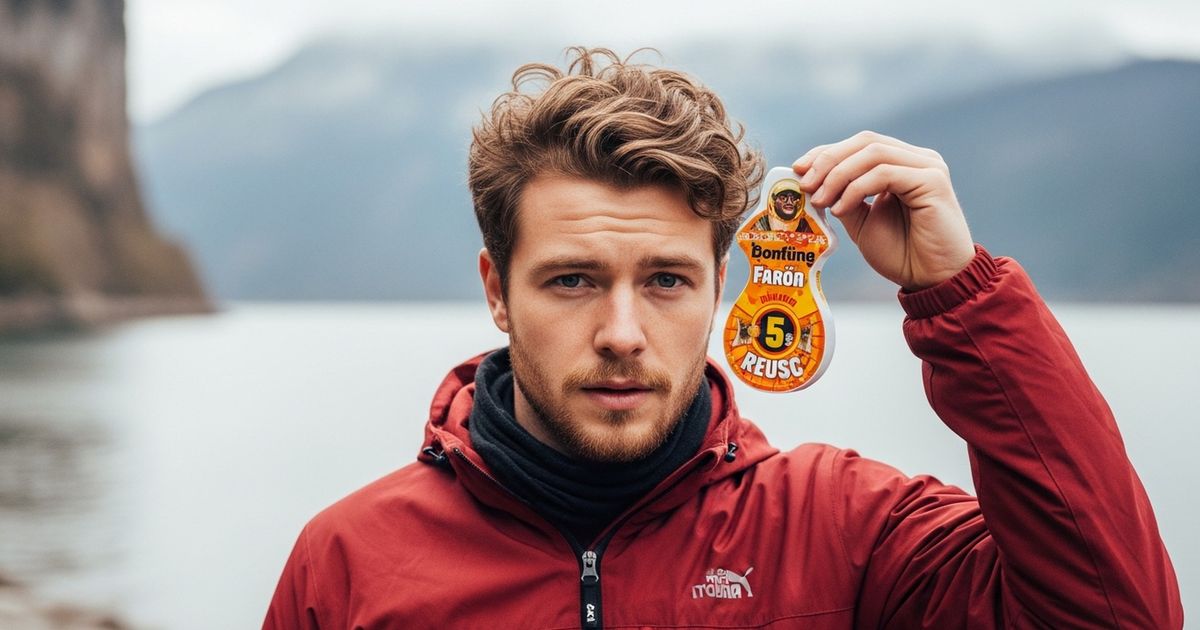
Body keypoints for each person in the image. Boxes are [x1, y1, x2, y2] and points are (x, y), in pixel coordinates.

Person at [264, 48, 1182, 629]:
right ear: (497, 291)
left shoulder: (843, 530)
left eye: (666, 281)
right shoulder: (349, 563)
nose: (622, 334)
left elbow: (1118, 615)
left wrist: (960, 295)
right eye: (572, 280)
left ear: (718, 290)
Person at [750, 179, 815, 233]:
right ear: (774, 200)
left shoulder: (806, 224)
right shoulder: (760, 222)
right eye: (783, 198)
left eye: (793, 199)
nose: (789, 202)